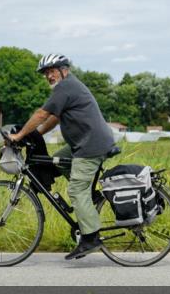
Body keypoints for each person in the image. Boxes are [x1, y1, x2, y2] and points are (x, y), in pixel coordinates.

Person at [9, 54, 115, 260]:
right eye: (46, 73)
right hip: (82, 144)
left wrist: (20, 135)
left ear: (63, 70)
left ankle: (91, 238)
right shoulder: (69, 87)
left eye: (52, 71)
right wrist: (36, 135)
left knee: (76, 190)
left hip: (90, 146)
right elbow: (54, 118)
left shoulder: (65, 87)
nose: (49, 76)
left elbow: (42, 114)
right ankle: (91, 199)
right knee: (54, 163)